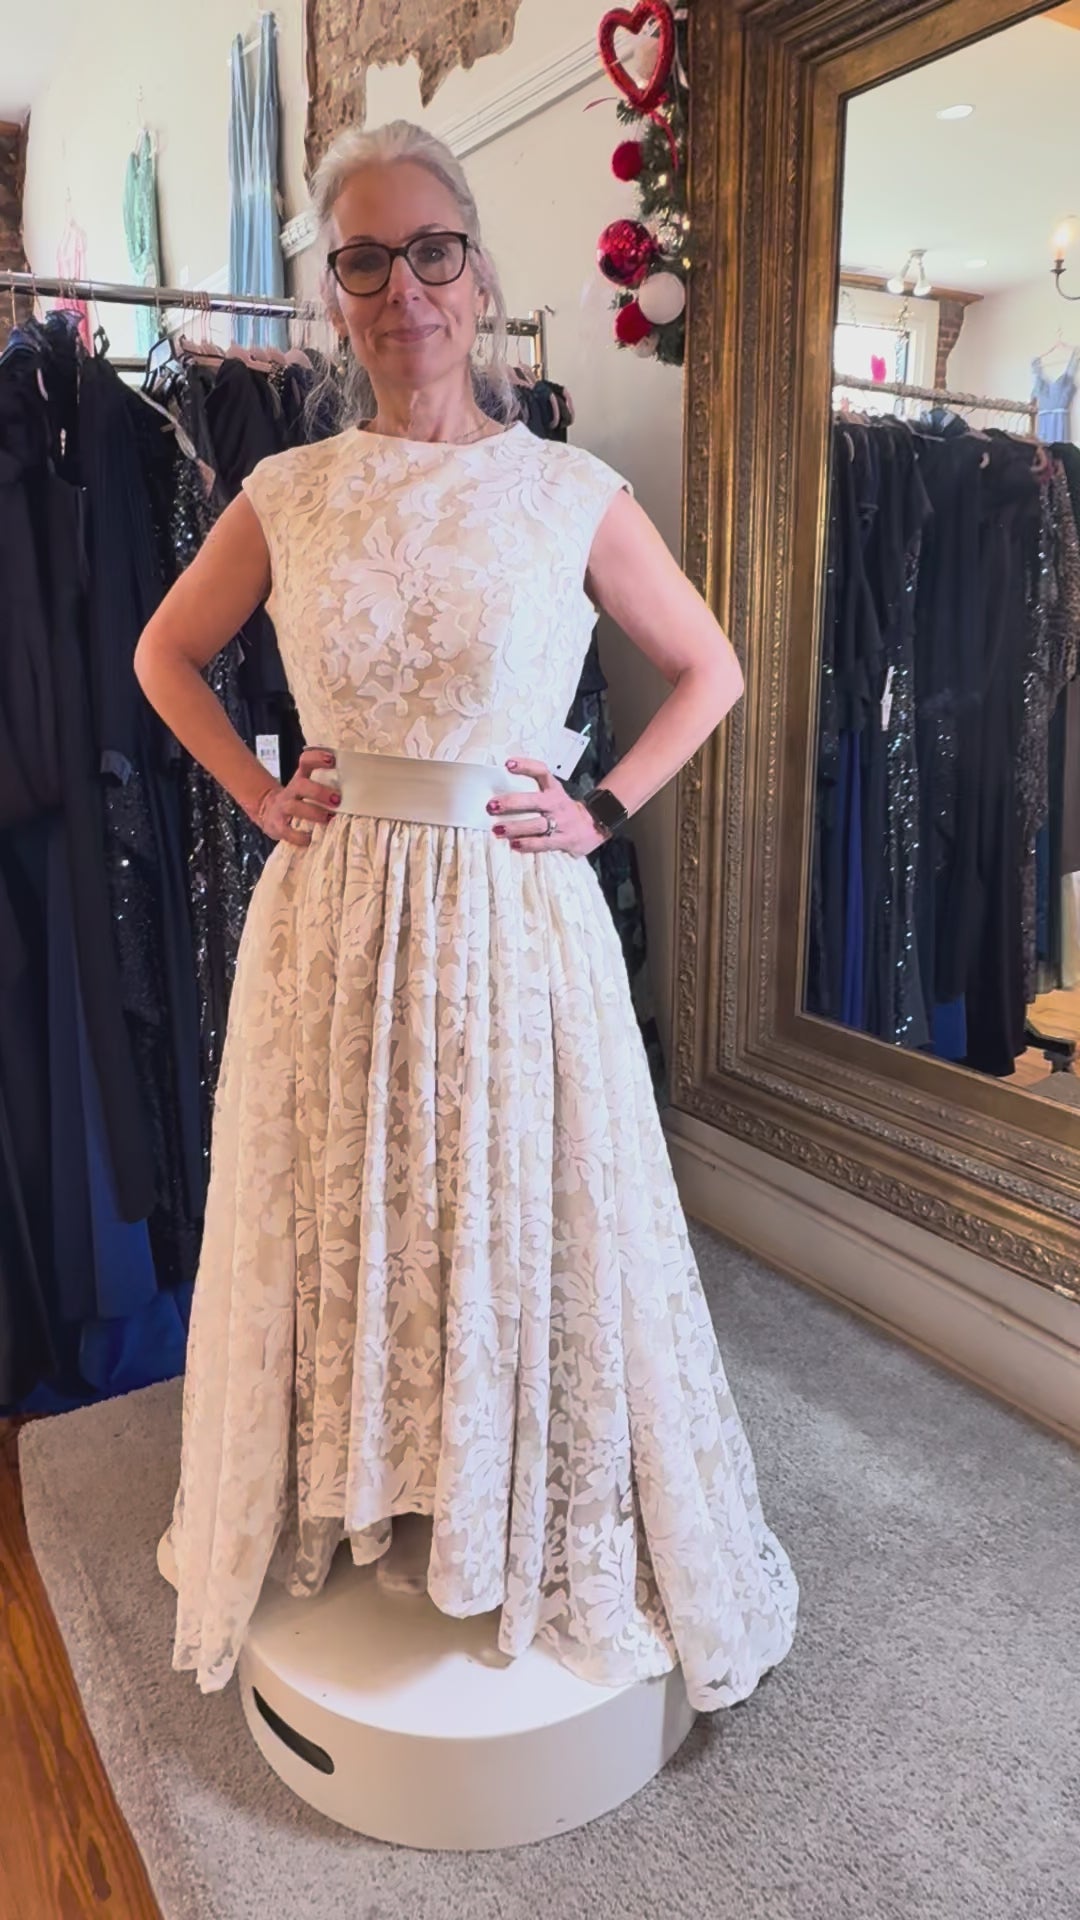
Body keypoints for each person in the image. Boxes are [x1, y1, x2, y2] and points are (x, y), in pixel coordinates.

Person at [135, 119, 798, 1708]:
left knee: (514, 1207)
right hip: (336, 915)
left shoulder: (568, 491)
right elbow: (164, 655)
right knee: (357, 1203)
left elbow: (711, 669)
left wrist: (602, 809)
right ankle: (381, 1484)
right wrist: (257, 795)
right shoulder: (287, 490)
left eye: (430, 251)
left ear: (481, 274)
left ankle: (508, 1510)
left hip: (512, 916)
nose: (403, 290)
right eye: (364, 261)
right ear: (334, 295)